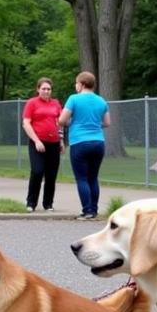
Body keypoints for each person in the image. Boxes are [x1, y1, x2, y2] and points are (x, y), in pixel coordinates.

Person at [58, 71, 110, 220]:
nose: (76, 86)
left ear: (81, 84)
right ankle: (94, 210)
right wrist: (92, 124)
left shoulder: (74, 99)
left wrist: (73, 122)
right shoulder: (101, 101)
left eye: (76, 83)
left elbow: (62, 120)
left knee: (82, 178)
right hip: (98, 142)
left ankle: (86, 211)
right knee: (93, 178)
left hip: (79, 142)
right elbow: (107, 123)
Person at [21, 77, 64, 212]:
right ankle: (31, 203)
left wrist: (61, 140)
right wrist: (36, 141)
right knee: (37, 171)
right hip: (37, 143)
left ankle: (48, 204)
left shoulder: (56, 104)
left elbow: (59, 123)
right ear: (38, 89)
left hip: (54, 143)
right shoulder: (32, 103)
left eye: (48, 89)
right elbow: (26, 123)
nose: (46, 91)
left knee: (51, 174)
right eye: (43, 88)